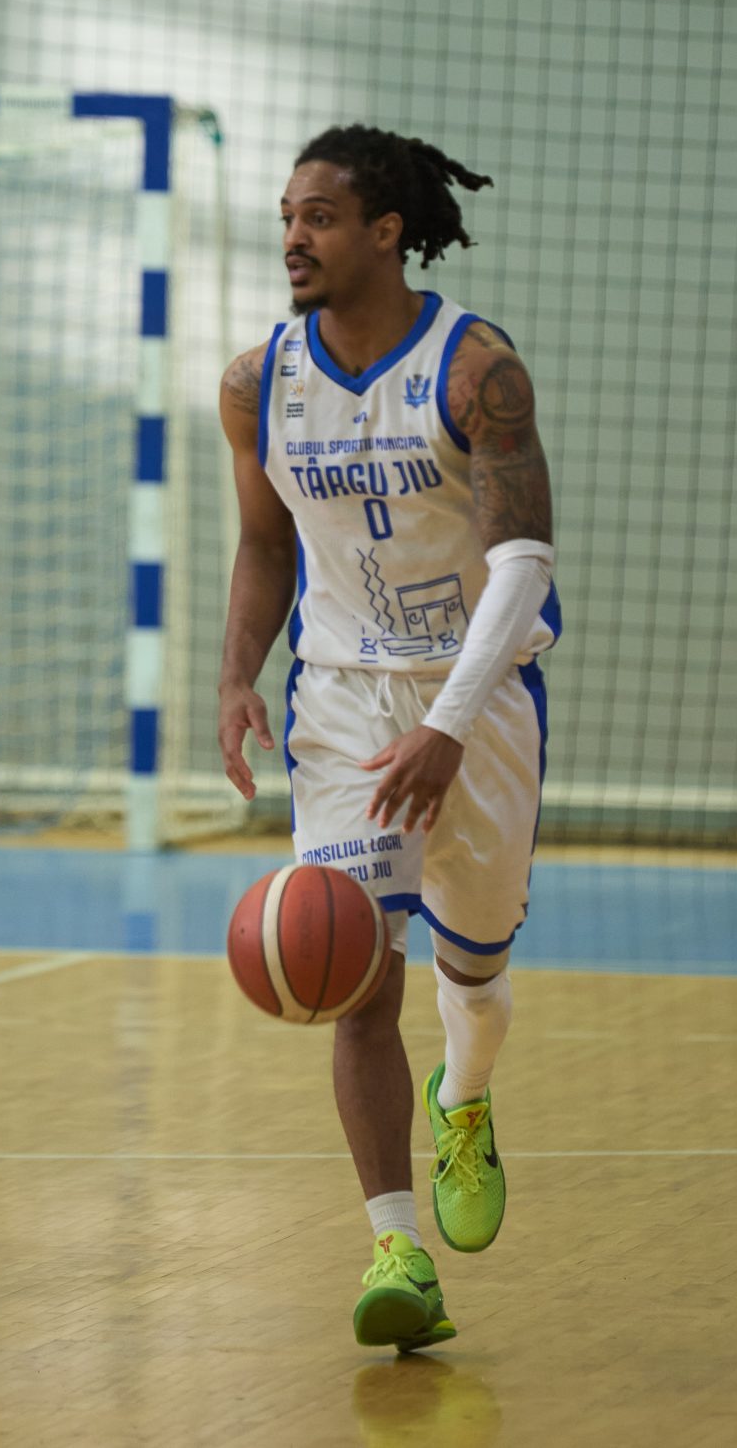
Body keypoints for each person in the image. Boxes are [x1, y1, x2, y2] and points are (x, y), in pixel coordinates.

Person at [215, 125, 559, 1351]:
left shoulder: (477, 370)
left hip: (479, 693)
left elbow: (524, 562)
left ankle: (464, 1093)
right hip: (340, 703)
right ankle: (395, 1247)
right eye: (285, 215)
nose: (293, 236)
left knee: (477, 974)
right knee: (357, 971)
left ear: (385, 231)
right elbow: (265, 544)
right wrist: (235, 674)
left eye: (317, 215)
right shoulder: (255, 384)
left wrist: (450, 725)